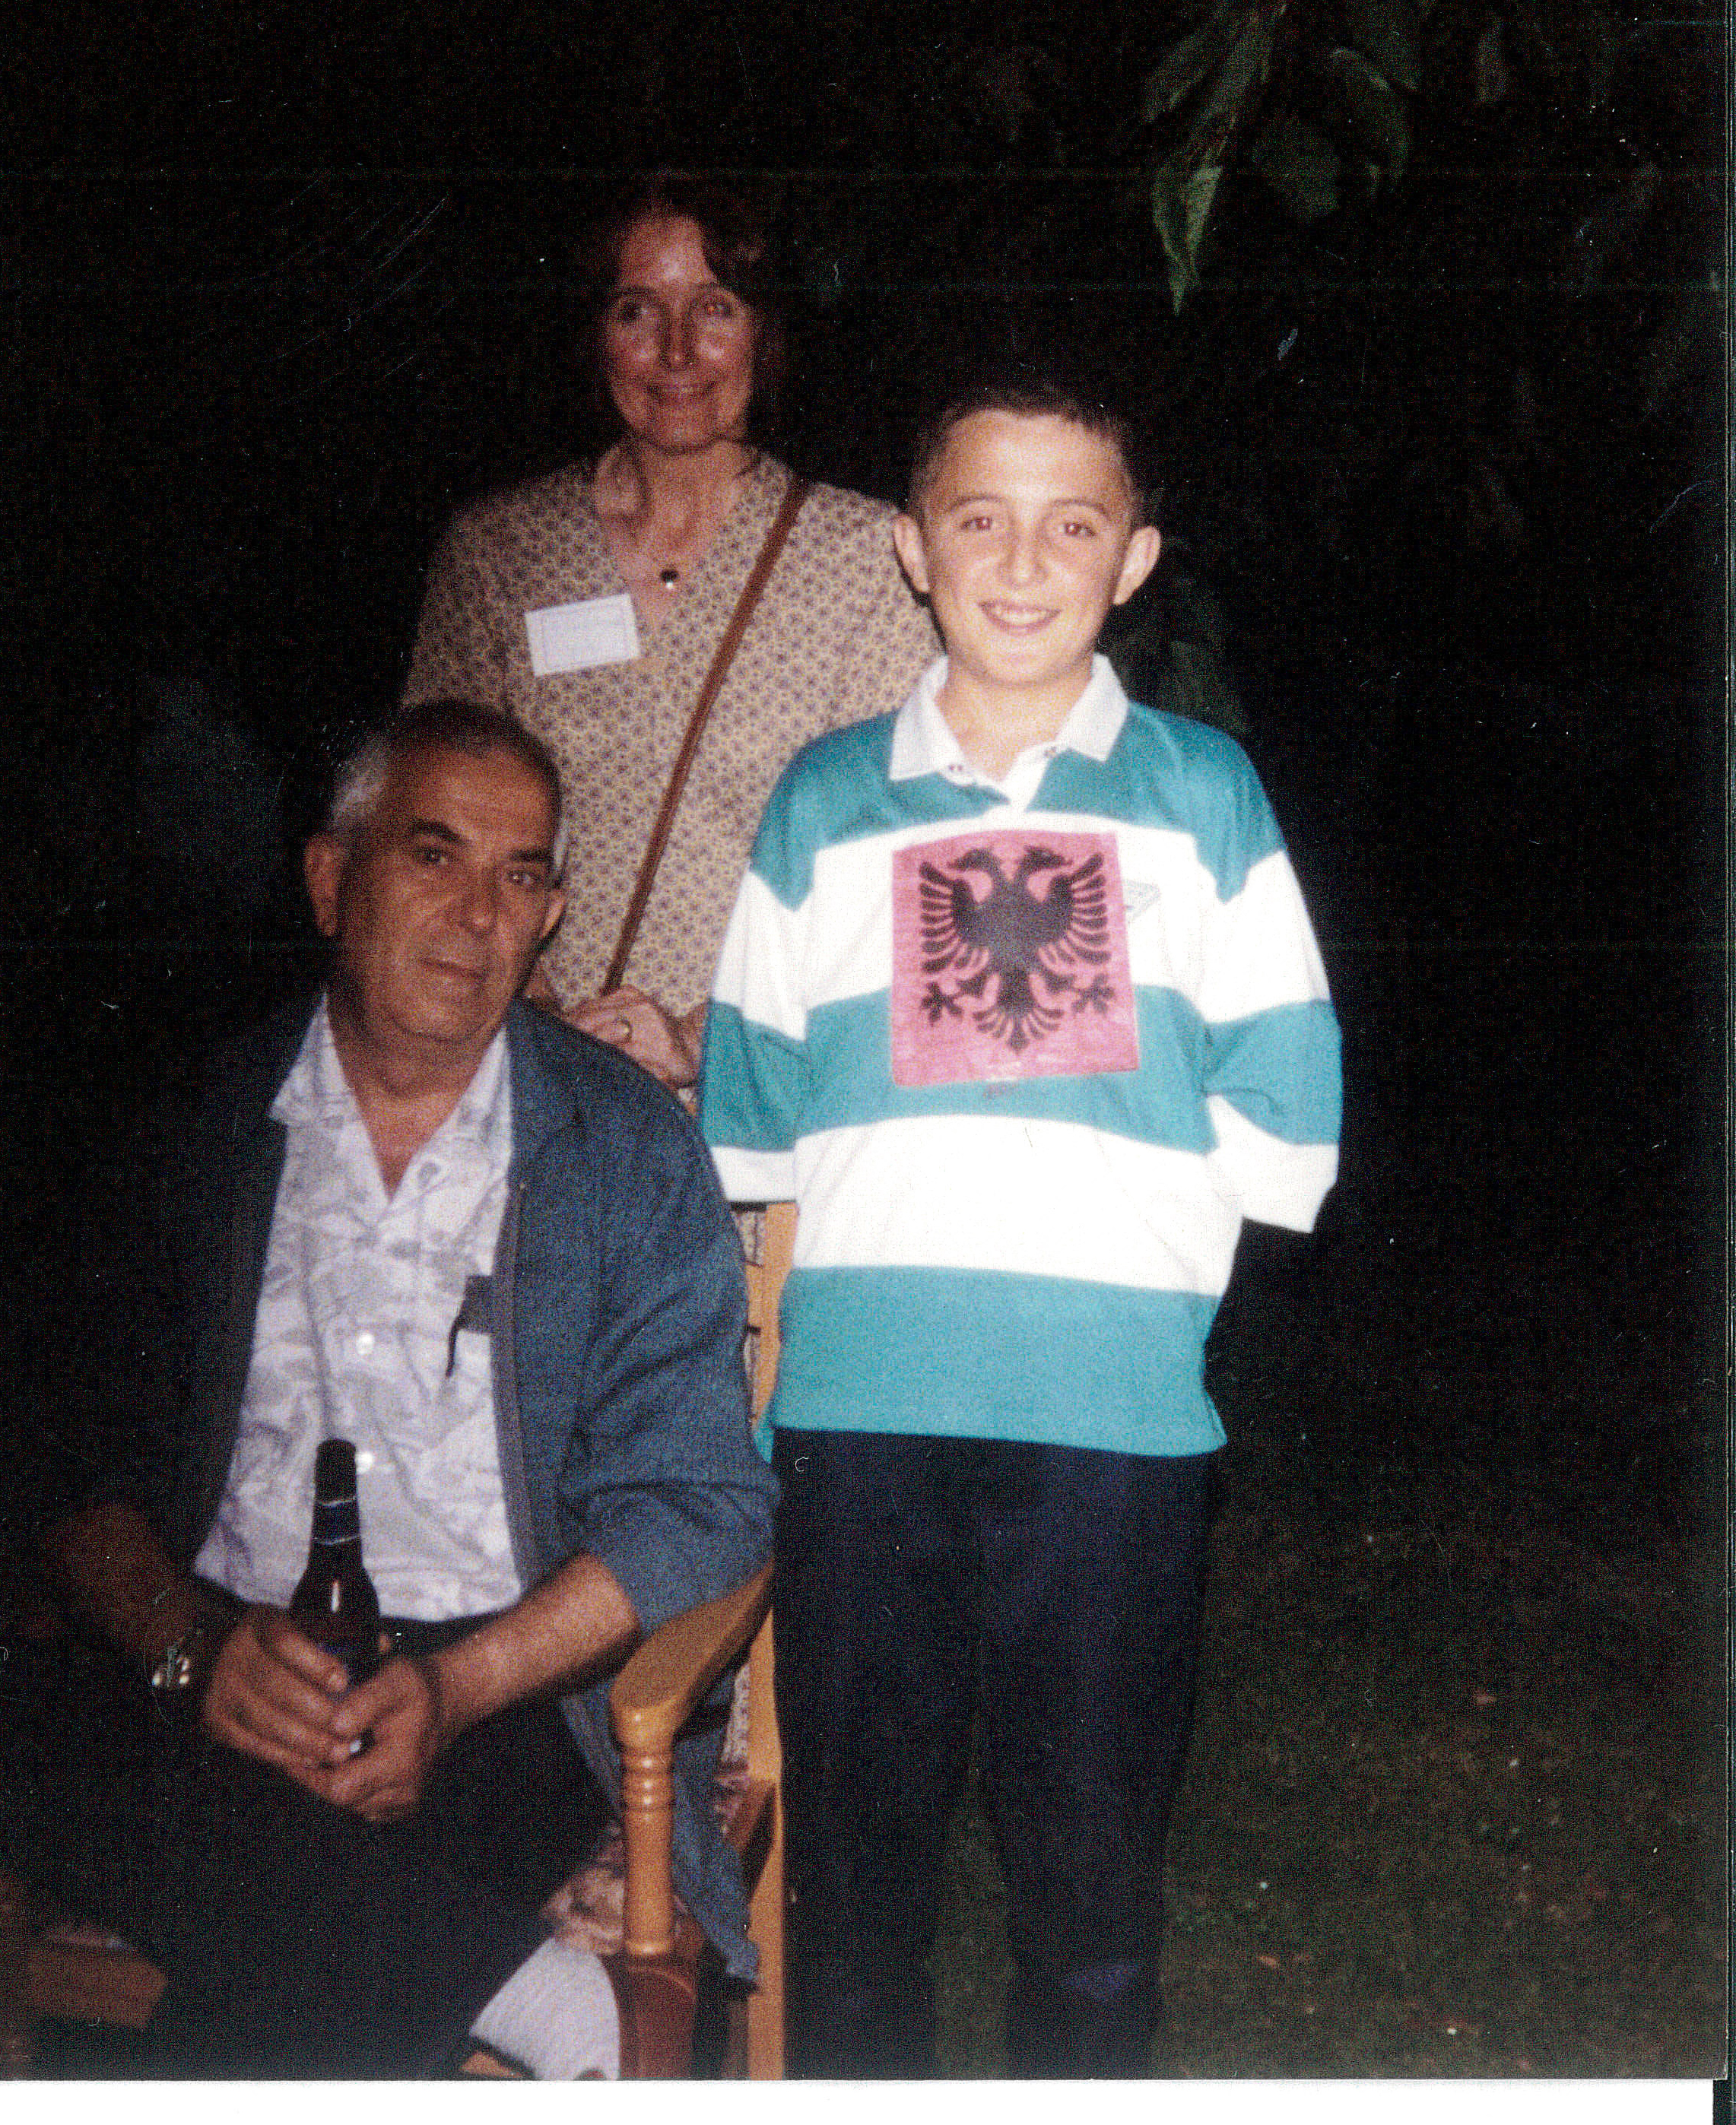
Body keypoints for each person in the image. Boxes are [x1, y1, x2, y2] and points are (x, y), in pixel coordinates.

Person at [700, 376, 1343, 2076]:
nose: (1021, 558)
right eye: (978, 516)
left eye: (1072, 523)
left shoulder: (1204, 794)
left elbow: (1287, 1117)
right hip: (859, 1427)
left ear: (1131, 560)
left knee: (1087, 1904)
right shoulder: (819, 799)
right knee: (853, 1899)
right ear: (912, 549)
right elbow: (749, 1126)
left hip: (1110, 1434)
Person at [0, 701, 776, 2077]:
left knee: (267, 1981)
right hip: (221, 1663)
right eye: (433, 855)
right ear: (328, 879)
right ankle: (554, 2008)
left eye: (522, 872)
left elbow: (696, 1503)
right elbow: (67, 1454)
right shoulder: (198, 1128)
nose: (479, 915)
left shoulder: (620, 1150)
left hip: (498, 1691)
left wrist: (461, 1686)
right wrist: (188, 1650)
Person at [402, 178, 938, 1093]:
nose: (679, 350)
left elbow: (892, 870)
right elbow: (424, 834)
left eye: (716, 307)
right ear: (594, 332)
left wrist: (699, 1038)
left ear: (764, 333)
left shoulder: (866, 562)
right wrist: (538, 1019)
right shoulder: (501, 553)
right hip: (526, 1080)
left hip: (763, 1091)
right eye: (638, 309)